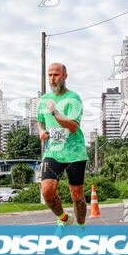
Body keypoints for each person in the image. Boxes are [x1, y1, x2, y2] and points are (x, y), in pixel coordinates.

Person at [37, 63, 88, 235]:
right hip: (53, 151)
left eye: (56, 75)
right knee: (47, 191)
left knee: (76, 194)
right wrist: (41, 131)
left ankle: (81, 229)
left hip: (74, 152)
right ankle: (64, 219)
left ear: (65, 76)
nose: (52, 78)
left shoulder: (74, 98)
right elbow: (39, 120)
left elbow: (73, 127)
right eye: (50, 75)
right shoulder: (44, 99)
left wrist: (55, 113)